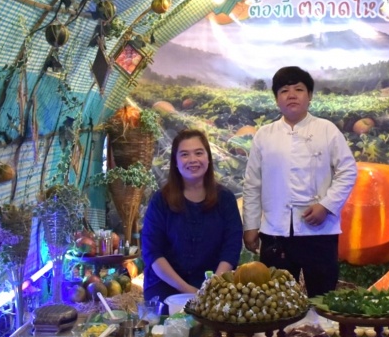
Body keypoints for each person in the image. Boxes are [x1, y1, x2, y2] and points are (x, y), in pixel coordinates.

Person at [242, 66, 358, 297]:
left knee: (323, 299)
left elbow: (348, 171)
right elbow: (253, 183)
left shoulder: (327, 130)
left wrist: (326, 206)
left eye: (299, 89)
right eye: (284, 91)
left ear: (310, 95)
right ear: (276, 98)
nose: (292, 95)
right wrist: (251, 225)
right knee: (276, 300)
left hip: (319, 232)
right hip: (275, 231)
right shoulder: (264, 135)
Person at [141, 129, 243, 307]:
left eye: (198, 153)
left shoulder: (225, 199)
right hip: (166, 284)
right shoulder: (161, 200)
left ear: (208, 158)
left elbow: (231, 248)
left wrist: (212, 286)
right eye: (184, 154)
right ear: (175, 162)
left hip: (214, 285)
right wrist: (187, 290)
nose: (192, 160)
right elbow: (152, 252)